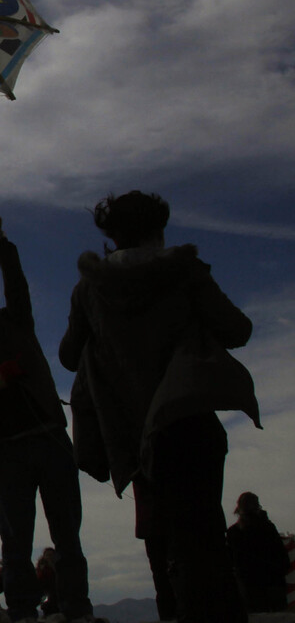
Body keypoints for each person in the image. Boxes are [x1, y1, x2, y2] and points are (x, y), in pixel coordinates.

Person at [60, 191, 255, 623]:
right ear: (156, 230)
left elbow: (69, 355)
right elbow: (237, 329)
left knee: (158, 541)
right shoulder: (184, 271)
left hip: (130, 433)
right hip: (187, 419)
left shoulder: (88, 288)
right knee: (203, 536)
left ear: (111, 234)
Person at [0, 212, 95, 623]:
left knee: (67, 533)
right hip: (10, 454)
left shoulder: (19, 327)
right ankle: (20, 611)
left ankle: (76, 609)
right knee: (14, 540)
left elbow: (16, 283)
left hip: (50, 440)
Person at [227, 492, 289, 612]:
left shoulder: (233, 532)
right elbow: (281, 557)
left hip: (248, 588)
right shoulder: (268, 528)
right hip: (273, 584)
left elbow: (233, 561)